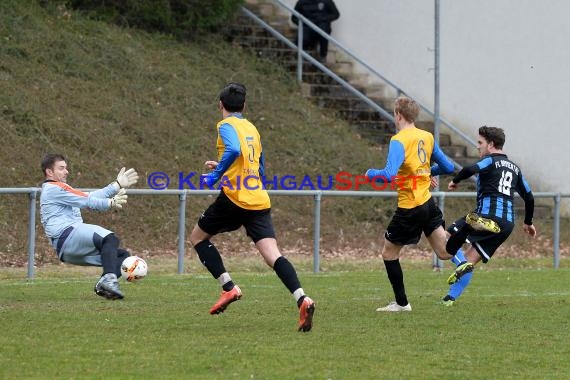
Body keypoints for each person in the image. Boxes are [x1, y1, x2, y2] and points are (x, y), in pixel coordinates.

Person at [189, 82, 316, 332]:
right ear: (244, 106)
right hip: (258, 198)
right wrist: (225, 168)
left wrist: (215, 177)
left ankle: (229, 288)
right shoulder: (251, 128)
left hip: (235, 198)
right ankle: (302, 298)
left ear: (220, 105)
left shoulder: (225, 125)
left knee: (197, 238)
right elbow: (257, 164)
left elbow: (234, 149)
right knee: (273, 255)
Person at [365, 96, 455, 312]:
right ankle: (469, 229)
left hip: (409, 208)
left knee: (389, 254)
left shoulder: (399, 140)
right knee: (445, 253)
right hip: (427, 203)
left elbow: (388, 175)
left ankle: (402, 304)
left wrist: (370, 174)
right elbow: (448, 166)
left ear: (398, 115)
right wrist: (426, 173)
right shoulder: (427, 136)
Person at [442, 126, 536, 304]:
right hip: (507, 224)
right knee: (469, 260)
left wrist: (455, 180)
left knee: (445, 238)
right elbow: (529, 198)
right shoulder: (515, 169)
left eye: (480, 143)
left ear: (491, 144)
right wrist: (528, 222)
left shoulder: (490, 160)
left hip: (485, 215)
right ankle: (449, 299)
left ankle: (476, 233)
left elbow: (470, 168)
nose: (477, 147)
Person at [40, 154, 139, 300]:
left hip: (66, 250)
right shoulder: (54, 188)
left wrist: (116, 185)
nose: (66, 171)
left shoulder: (59, 190)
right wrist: (109, 203)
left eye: (66, 168)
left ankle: (104, 285)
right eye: (61, 168)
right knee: (109, 238)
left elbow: (90, 196)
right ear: (49, 172)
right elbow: (88, 200)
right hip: (67, 236)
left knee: (122, 256)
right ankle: (108, 280)